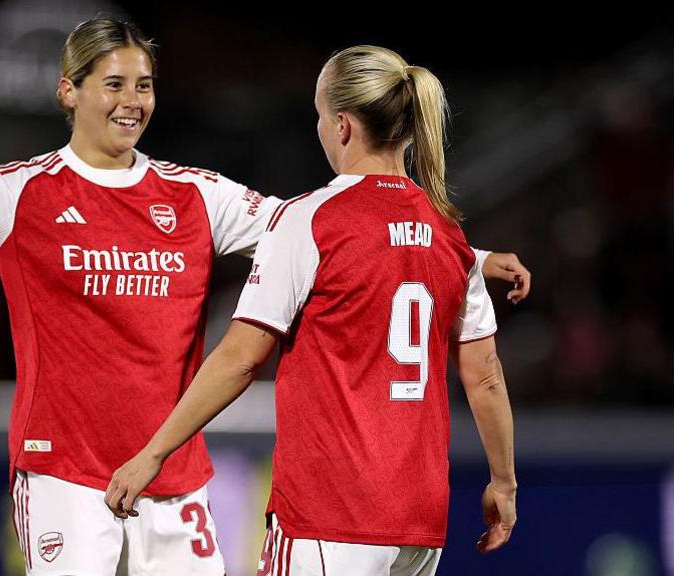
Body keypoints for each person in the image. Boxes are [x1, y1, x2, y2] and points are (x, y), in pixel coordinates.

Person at [0, 20, 524, 575]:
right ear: (69, 90)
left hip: (173, 477)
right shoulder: (21, 192)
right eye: (114, 83)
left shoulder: (195, 196)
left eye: (145, 85)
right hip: (65, 475)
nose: (133, 100)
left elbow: (342, 233)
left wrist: (476, 258)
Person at [104, 45, 517, 576]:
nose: (320, 130)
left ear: (342, 125)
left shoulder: (310, 221)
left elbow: (241, 360)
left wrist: (153, 454)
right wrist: (503, 483)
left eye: (320, 117)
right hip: (418, 524)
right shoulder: (449, 235)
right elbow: (485, 377)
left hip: (330, 518)